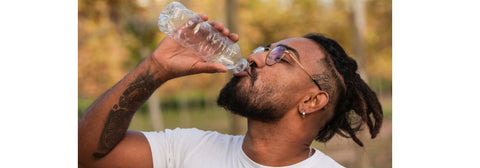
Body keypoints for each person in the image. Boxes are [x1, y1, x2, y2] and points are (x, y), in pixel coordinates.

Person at [78, 14, 383, 168]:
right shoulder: (187, 148)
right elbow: (87, 156)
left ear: (312, 100)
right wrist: (156, 68)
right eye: (266, 49)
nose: (255, 56)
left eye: (281, 58)